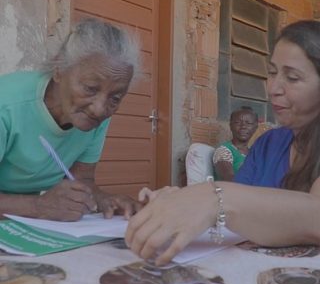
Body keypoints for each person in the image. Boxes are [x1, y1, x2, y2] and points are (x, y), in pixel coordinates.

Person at [125, 19, 320, 265]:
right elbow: (239, 207)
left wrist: (212, 197)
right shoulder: (267, 144)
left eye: (292, 78)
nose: (273, 88)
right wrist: (182, 202)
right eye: (271, 73)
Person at [0, 18, 142, 221]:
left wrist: (104, 199)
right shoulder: (6, 105)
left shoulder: (95, 115)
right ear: (59, 70)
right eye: (90, 88)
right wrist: (38, 206)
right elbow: (41, 207)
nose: (99, 109)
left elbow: (81, 180)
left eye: (115, 97)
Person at [213, 106, 258, 181]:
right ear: (230, 125)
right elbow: (229, 179)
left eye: (248, 123)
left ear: (255, 127)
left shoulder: (254, 154)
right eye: (237, 122)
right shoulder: (224, 151)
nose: (243, 126)